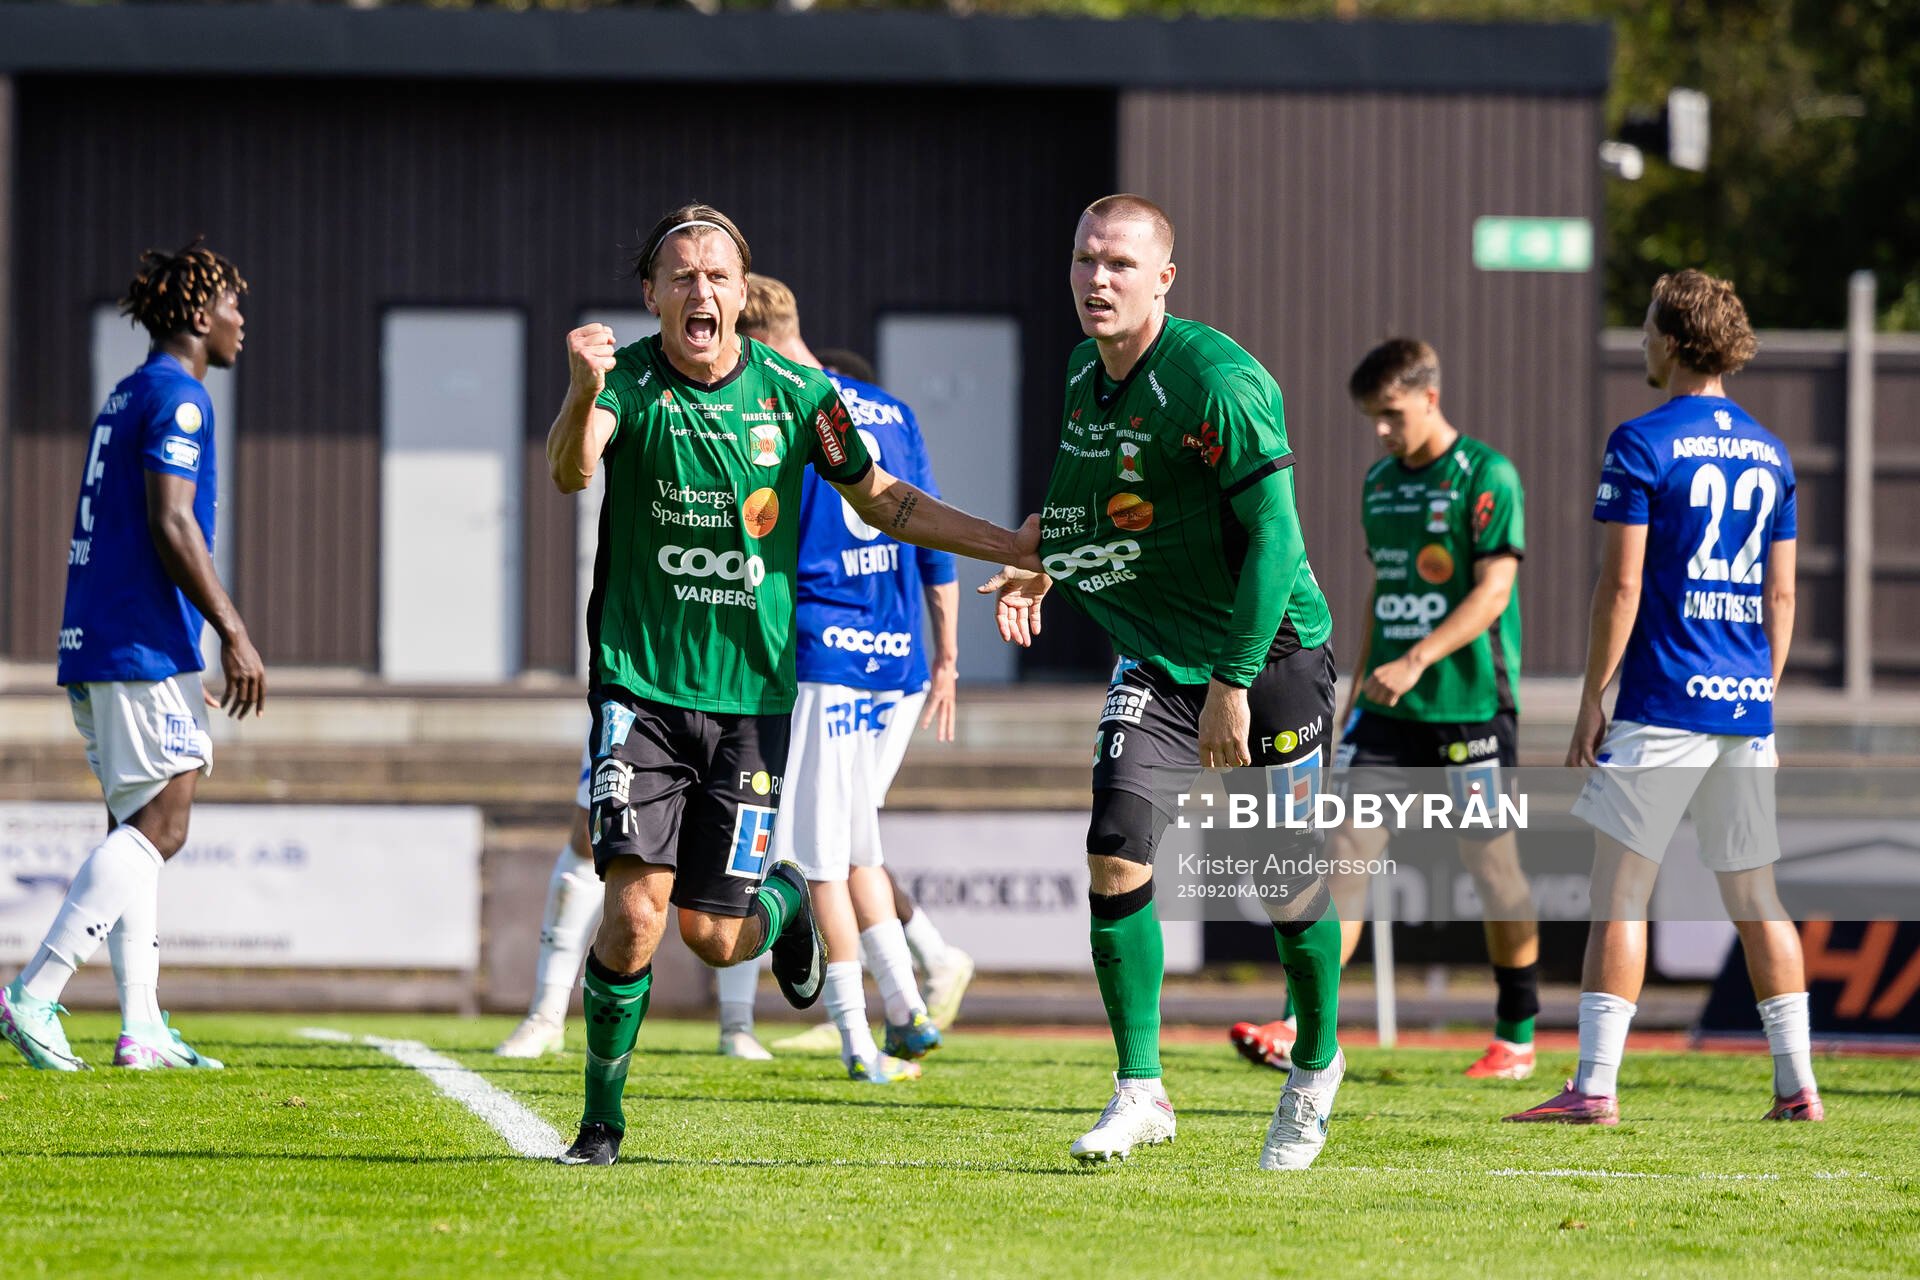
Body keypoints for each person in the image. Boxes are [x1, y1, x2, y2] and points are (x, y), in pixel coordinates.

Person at [545, 203, 1036, 1166]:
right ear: (652, 293)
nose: (701, 291)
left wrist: (1010, 543)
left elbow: (887, 499)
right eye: (681, 276)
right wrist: (577, 390)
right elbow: (571, 471)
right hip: (639, 690)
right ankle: (601, 1118)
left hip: (755, 702)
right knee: (637, 910)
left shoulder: (799, 394)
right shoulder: (627, 382)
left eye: (717, 276)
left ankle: (786, 906)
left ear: (741, 293)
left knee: (717, 942)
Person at [983, 194, 1344, 1170]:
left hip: (1270, 652)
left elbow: (1279, 537)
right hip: (1158, 653)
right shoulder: (1079, 371)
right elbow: (1082, 492)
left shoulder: (1218, 380)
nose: (1098, 279)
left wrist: (1234, 678)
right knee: (1113, 844)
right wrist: (1046, 555)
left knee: (1284, 873)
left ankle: (1315, 1066)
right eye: (1084, 258)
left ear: (1164, 279)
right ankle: (1140, 1088)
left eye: (1120, 264)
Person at [1507, 269, 1821, 1125]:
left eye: (1648, 325)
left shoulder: (1642, 441)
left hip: (1661, 704)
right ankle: (1799, 1087)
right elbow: (1781, 598)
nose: (1641, 339)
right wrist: (1758, 691)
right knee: (1757, 897)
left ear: (1676, 340)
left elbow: (1621, 587)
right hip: (1742, 706)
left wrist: (1590, 701)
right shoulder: (1771, 450)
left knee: (1621, 892)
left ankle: (1594, 1088)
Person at [1230, 338, 1539, 1081]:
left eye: (1391, 414)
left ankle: (1517, 1035)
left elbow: (1494, 593)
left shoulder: (1486, 476)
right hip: (1388, 711)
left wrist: (1418, 659)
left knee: (1492, 866)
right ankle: (1303, 1024)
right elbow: (1383, 590)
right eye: (1372, 417)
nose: (1380, 429)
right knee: (1346, 853)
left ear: (1430, 398)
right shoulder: (1378, 484)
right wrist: (1358, 677)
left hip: (1468, 705)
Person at [0, 242, 265, 1072]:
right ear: (197, 315)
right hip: (137, 645)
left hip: (111, 640)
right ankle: (34, 992)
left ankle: (142, 1025)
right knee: (165, 823)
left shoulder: (125, 395)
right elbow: (172, 521)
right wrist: (232, 630)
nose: (239, 321)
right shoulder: (181, 399)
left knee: (133, 826)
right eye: (230, 304)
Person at [717, 273, 960, 1083]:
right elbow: (927, 537)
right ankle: (909, 1009)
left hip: (825, 656)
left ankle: (860, 1041)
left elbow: (759, 541)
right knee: (858, 842)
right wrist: (950, 658)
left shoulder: (779, 411)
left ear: (747, 340)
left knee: (817, 856)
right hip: (900, 664)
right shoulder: (891, 410)